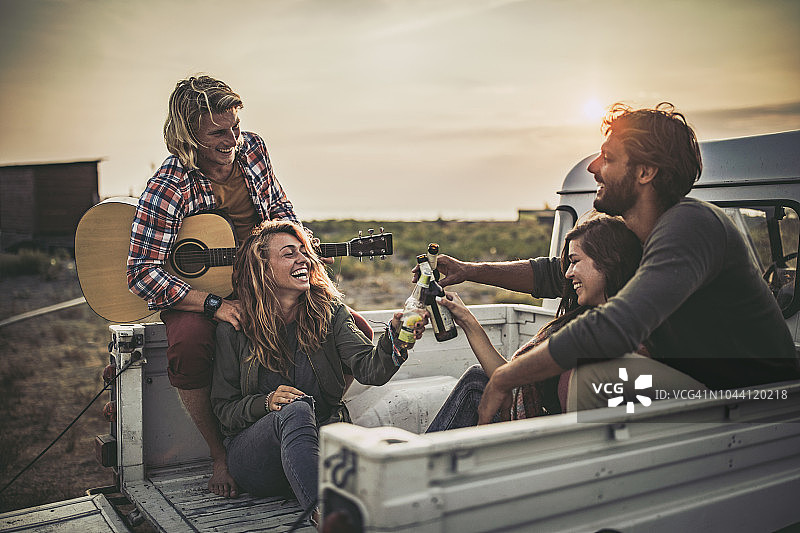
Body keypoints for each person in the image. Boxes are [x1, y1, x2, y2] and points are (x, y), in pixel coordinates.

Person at [419, 102, 800, 424]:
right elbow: (558, 274)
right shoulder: (639, 235)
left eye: (609, 158)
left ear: (645, 172)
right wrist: (469, 271)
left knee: (593, 379)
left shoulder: (691, 225)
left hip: (760, 405)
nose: (594, 167)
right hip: (708, 392)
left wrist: (505, 377)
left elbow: (618, 326)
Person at [127, 75, 339, 498]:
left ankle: (312, 429)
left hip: (262, 277)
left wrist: (302, 247)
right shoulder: (169, 185)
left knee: (346, 327)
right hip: (196, 289)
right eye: (219, 133)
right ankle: (220, 453)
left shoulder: (253, 149)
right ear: (190, 134)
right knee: (189, 346)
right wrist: (211, 305)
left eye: (236, 128)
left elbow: (280, 210)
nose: (233, 140)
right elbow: (142, 273)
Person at [210, 220, 425, 523]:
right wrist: (266, 402)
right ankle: (325, 518)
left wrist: (395, 340)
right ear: (263, 269)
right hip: (257, 459)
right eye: (289, 254)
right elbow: (224, 409)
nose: (304, 259)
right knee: (295, 409)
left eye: (304, 251)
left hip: (322, 449)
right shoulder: (234, 327)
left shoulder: (330, 312)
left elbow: (370, 369)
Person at [427, 215, 655, 430]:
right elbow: (510, 381)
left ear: (609, 262)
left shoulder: (620, 345)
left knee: (477, 383)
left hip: (549, 445)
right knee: (478, 379)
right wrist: (467, 320)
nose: (567, 274)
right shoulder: (584, 323)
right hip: (541, 430)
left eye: (574, 262)